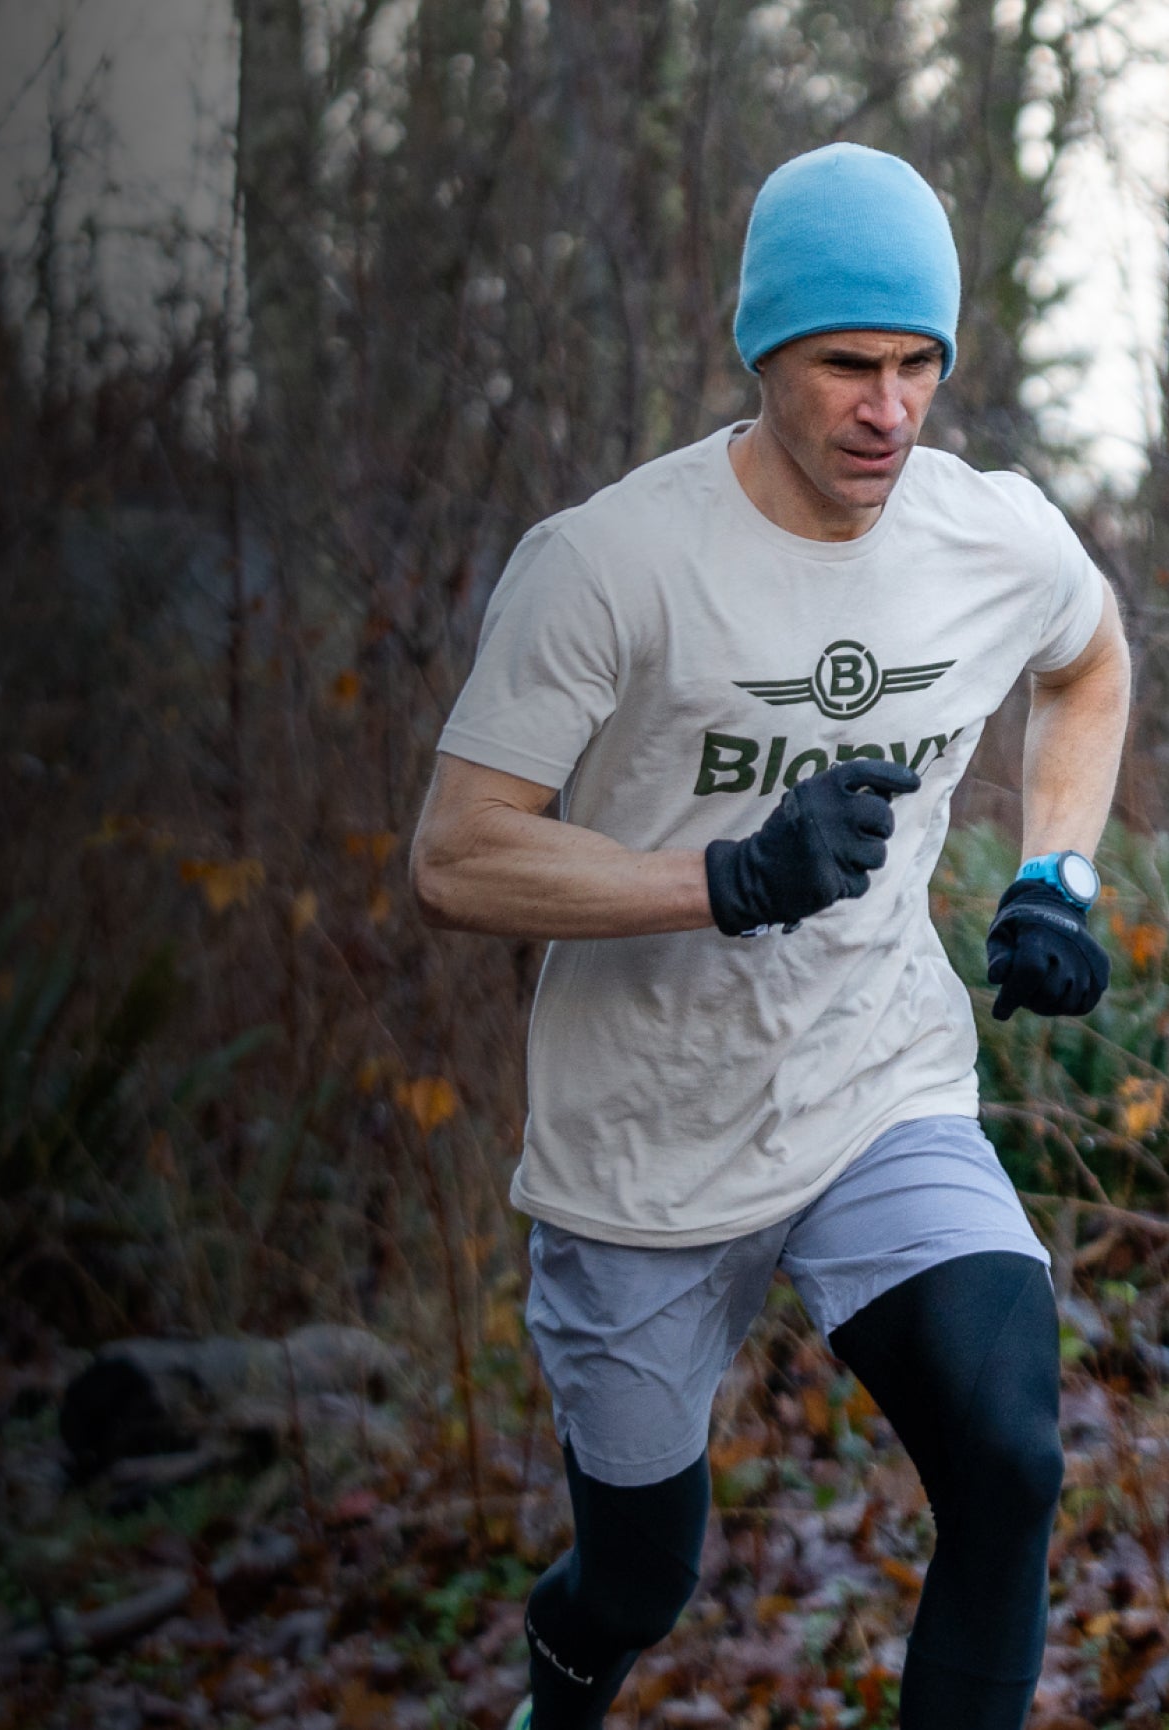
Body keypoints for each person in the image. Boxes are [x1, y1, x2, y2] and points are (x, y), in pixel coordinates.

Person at [409, 142, 1130, 1730]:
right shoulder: (611, 564)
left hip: (876, 1088)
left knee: (1012, 1457)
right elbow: (455, 858)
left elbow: (1089, 659)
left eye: (920, 364)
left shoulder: (986, 536)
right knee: (640, 1579)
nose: (890, 409)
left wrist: (1055, 876)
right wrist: (723, 878)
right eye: (847, 366)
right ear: (763, 356)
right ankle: (566, 1678)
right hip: (643, 1144)